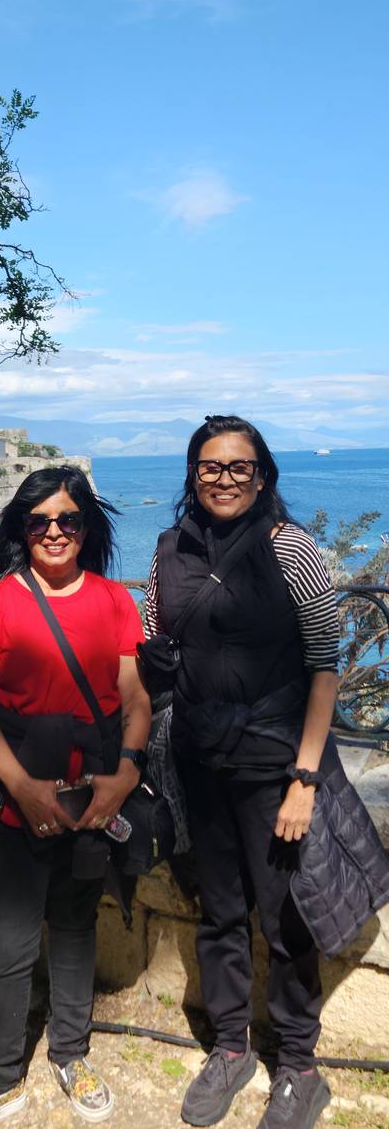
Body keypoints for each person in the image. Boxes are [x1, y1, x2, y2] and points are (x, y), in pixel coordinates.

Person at [0, 464, 151, 1129]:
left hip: (93, 794)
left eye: (68, 520)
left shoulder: (117, 601)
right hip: (14, 793)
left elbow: (136, 699)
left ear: (86, 528)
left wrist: (127, 775)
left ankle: (70, 1053)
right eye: (39, 521)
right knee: (4, 941)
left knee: (77, 928)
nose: (54, 531)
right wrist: (23, 789)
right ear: (22, 529)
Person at [144, 414, 341, 1129]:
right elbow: (152, 629)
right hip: (201, 762)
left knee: (287, 920)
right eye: (211, 467)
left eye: (239, 468)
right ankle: (232, 1046)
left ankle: (299, 1066)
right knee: (220, 913)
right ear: (193, 474)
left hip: (274, 766)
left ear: (262, 477)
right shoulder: (169, 549)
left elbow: (326, 663)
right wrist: (154, 657)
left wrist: (305, 779)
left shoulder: (292, 549)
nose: (224, 479)